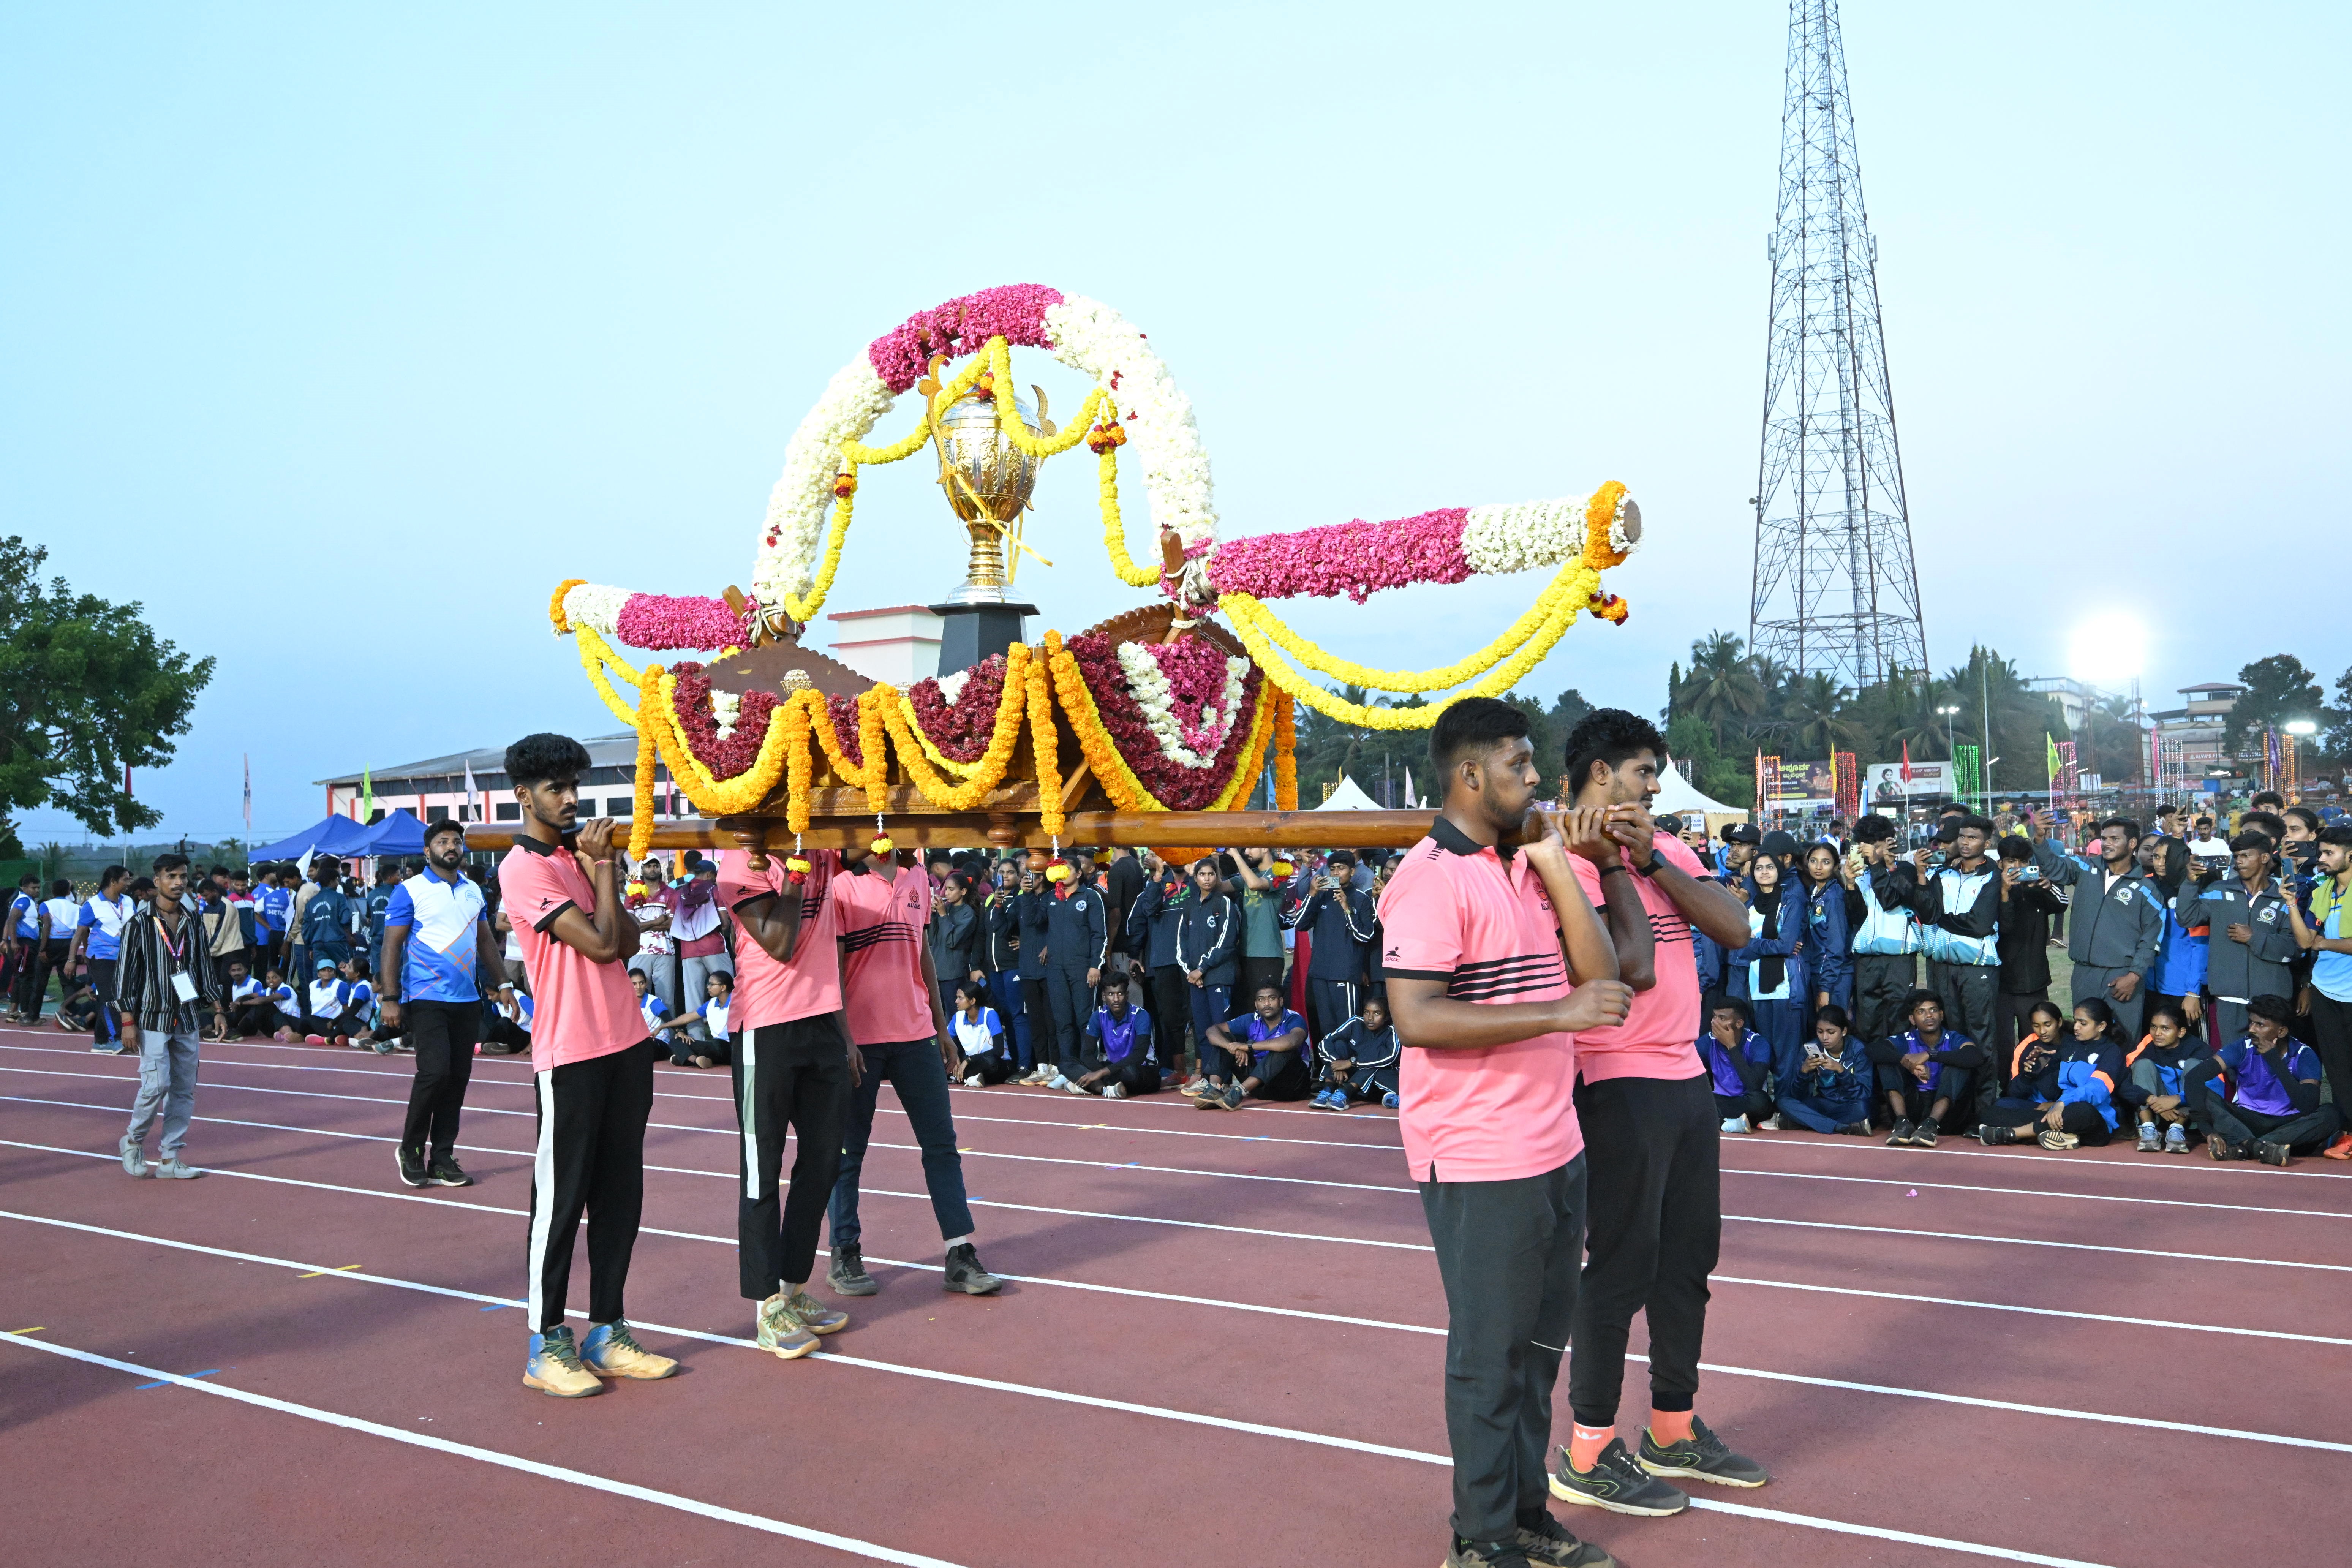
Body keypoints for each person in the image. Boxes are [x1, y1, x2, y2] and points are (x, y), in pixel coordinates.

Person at [1377, 696, 1631, 1568]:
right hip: (1479, 1151)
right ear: (1470, 774)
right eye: (1521, 765)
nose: (1536, 780)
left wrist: (1557, 863)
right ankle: (1479, 1537)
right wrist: (1556, 1008)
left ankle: (1525, 1512)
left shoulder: (1521, 865)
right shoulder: (1428, 878)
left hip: (1554, 1142)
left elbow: (1604, 982)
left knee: (1535, 1353)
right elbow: (1414, 1015)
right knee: (1490, 1359)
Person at [1551, 708, 1766, 1521]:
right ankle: (1589, 1449)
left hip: (1686, 1077)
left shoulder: (1666, 848)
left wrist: (1652, 862)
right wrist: (1612, 866)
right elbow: (1627, 970)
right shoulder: (1561, 860)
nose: (1655, 787)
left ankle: (1672, 1429)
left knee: (1686, 1263)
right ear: (1600, 775)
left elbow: (1735, 926)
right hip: (1613, 1078)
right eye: (1644, 772)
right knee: (1621, 1266)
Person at [496, 732, 678, 1398]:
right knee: (562, 1199)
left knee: (620, 1195)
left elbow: (629, 937)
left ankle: (609, 1329)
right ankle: (546, 1341)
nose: (570, 798)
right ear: (524, 795)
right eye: (556, 788)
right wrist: (601, 867)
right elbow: (602, 945)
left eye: (575, 785)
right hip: (570, 1051)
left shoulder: (577, 858)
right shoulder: (523, 868)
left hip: (626, 1043)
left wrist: (603, 867)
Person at [825, 847, 1003, 1300]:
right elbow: (835, 969)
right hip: (861, 1038)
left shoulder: (918, 879)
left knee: (942, 1145)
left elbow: (922, 953)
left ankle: (959, 1254)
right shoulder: (843, 885)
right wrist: (844, 1039)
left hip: (916, 1034)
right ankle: (845, 1251)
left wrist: (942, 1027)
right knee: (848, 1152)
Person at [715, 838, 857, 1362]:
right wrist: (796, 873)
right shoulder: (740, 862)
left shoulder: (818, 848)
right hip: (766, 1030)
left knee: (823, 1164)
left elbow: (868, 841)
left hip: (821, 1021)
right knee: (761, 1170)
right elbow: (778, 941)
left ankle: (793, 1289)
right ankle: (766, 1306)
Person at [379, 817, 509, 1189]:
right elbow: (392, 946)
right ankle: (410, 1148)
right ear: (427, 850)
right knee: (435, 1072)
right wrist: (391, 999)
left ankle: (442, 1156)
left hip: (467, 998)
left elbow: (486, 941)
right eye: (442, 842)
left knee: (457, 1079)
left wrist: (503, 984)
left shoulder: (473, 891)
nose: (451, 846)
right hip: (425, 996)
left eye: (456, 841)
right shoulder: (410, 890)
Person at [114, 853, 223, 1181]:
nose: (178, 883)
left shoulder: (193, 920)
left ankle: (170, 1157)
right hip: (152, 1016)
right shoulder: (138, 924)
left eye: (183, 877)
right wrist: (127, 1022)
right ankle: (133, 1141)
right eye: (171, 876)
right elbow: (124, 976)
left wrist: (217, 1009)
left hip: (187, 1015)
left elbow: (204, 967)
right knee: (155, 1085)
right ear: (157, 880)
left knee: (184, 1088)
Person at [2028, 811, 2162, 1040]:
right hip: (2084, 973)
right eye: (2105, 839)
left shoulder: (2147, 889)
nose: (2107, 844)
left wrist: (2134, 976)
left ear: (2132, 844)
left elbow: (2151, 939)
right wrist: (2040, 840)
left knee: (2123, 1040)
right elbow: (2054, 868)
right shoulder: (2085, 867)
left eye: (2114, 839)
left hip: (2122, 977)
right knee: (2084, 1039)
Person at [2191, 993, 2341, 1164]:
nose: (2252, 1030)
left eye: (2260, 1025)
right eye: (2252, 1023)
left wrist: (2274, 1060)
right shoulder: (2242, 1047)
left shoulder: (2304, 1054)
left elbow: (2308, 1106)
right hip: (2247, 1121)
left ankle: (2248, 1148)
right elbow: (2194, 1078)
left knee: (2332, 1114)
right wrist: (2207, 1130)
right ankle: (2261, 1149)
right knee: (2203, 1094)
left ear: (2282, 1031)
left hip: (2288, 1127)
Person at [2180, 830, 2296, 1043]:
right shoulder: (2218, 890)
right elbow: (2187, 919)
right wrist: (2190, 883)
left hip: (2271, 1000)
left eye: (2245, 856)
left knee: (2270, 1063)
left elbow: (2295, 948)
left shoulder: (2284, 895)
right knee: (2233, 1065)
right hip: (2228, 997)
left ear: (2264, 858)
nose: (2239, 862)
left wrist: (2254, 937)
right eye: (2236, 857)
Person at [2283, 823, 2352, 1158]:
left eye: (2329, 853)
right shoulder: (2324, 889)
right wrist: (2292, 905)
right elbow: (2305, 940)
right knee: (2337, 1068)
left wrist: (2325, 943)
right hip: (2327, 991)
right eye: (2321, 852)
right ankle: (2348, 1133)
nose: (2321, 859)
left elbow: (2320, 942)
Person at [1977, 998, 2125, 1150]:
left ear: (2101, 1026)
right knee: (1992, 1111)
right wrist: (2035, 1068)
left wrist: (2062, 1103)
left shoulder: (2112, 1052)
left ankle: (2011, 1134)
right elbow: (2048, 1088)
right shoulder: (2070, 1049)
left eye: (2083, 1023)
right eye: (2076, 1022)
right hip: (2059, 1113)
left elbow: (2097, 1090)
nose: (2076, 1027)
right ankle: (2060, 1136)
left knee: (2082, 1109)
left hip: (2093, 1119)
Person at [1841, 816, 1920, 1051]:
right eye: (1865, 846)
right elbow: (1855, 917)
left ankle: (1899, 1085)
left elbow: (1889, 901)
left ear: (1890, 842)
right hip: (1867, 959)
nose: (1870, 852)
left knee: (1899, 1024)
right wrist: (1850, 884)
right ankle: (1873, 1085)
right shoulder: (1863, 873)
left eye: (1875, 846)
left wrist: (1877, 865)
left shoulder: (1904, 871)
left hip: (1899, 958)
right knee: (1868, 1025)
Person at [1869, 989, 1984, 1146]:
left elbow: (1975, 1056)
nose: (1929, 1016)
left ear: (1942, 1015)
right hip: (1914, 1107)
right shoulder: (1906, 1039)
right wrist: (1907, 1062)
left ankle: (1931, 1125)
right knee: (1887, 1060)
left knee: (1959, 1064)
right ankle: (1902, 1123)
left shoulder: (1953, 1038)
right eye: (1921, 1012)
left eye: (1934, 1010)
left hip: (1947, 1115)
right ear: (1913, 1019)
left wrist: (1931, 1055)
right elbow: (1873, 1050)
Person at [1724, 853, 1803, 1076]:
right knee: (1765, 1047)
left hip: (1785, 983)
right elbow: (1737, 940)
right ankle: (1769, 1104)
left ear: (1779, 871)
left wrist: (1750, 944)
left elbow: (1786, 946)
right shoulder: (1748, 903)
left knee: (1786, 1051)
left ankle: (1786, 1102)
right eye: (1759, 868)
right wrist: (1769, 944)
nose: (1765, 872)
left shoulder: (1790, 901)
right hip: (1757, 983)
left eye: (1770, 867)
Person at [1991, 835, 2066, 1068]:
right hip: (2000, 982)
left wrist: (2046, 886)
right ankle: (2007, 1090)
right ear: (2001, 863)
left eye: (2024, 862)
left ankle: (2036, 1091)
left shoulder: (2037, 890)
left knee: (2036, 1043)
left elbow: (2062, 904)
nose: (2018, 868)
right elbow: (2005, 927)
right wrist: (2004, 893)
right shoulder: (1990, 889)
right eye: (2012, 861)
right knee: (2003, 1045)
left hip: (2034, 981)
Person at [1286, 850, 1376, 1042]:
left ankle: (1351, 1070)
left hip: (1346, 973)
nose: (1336, 873)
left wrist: (1346, 908)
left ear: (1352, 872)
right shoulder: (1321, 897)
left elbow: (1365, 936)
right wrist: (1311, 894)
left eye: (1341, 869)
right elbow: (1300, 925)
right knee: (1327, 1030)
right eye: (1332, 869)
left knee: (1350, 1028)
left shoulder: (1361, 899)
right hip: (1320, 973)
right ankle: (1331, 1070)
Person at [1037, 848, 1108, 1091]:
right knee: (1063, 1021)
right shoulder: (1052, 899)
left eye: (1069, 869)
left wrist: (1095, 966)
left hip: (1083, 969)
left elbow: (1100, 935)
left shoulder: (1090, 897)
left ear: (1079, 873)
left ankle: (1089, 1070)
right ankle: (1068, 1072)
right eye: (1060, 869)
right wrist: (1028, 893)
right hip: (1056, 968)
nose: (1064, 873)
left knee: (1084, 1020)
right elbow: (1033, 923)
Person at [1125, 853, 1195, 1084]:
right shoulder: (1157, 883)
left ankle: (1204, 1073)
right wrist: (1156, 877)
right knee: (1170, 1019)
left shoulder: (1197, 880)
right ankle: (1180, 1072)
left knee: (1196, 1016)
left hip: (1194, 960)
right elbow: (1149, 910)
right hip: (1163, 960)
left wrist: (1194, 875)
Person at [1197, 982, 1312, 1110]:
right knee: (1226, 1039)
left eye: (1272, 998)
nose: (1267, 1004)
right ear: (1256, 1004)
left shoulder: (1293, 1019)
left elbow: (1291, 1042)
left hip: (1292, 1087)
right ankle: (1214, 1090)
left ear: (1281, 1001)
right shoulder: (1251, 1019)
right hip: (1260, 1087)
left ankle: (1239, 1092)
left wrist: (1248, 1047)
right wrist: (1232, 1047)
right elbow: (1212, 1030)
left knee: (1284, 1048)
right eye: (1261, 1000)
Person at [1176, 856, 1241, 1069]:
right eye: (1202, 874)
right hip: (1196, 980)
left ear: (1218, 877)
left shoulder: (1224, 903)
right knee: (1203, 1028)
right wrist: (1191, 972)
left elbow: (1227, 942)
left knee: (1221, 1029)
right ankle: (1206, 1076)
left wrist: (1202, 969)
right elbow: (1181, 943)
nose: (1207, 878)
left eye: (1211, 874)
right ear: (1195, 878)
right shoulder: (1189, 905)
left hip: (1218, 977)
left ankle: (1222, 1078)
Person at [2143, 839, 2210, 1037]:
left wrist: (2193, 992)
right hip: (2148, 984)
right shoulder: (2145, 885)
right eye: (2156, 857)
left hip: (2181, 989)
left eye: (2167, 858)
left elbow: (2201, 945)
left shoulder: (2194, 890)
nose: (2161, 863)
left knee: (2186, 1045)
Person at [1773, 1003, 1871, 1135]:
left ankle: (1804, 1122)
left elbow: (1863, 1093)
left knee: (1863, 1110)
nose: (1825, 1038)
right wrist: (1804, 1072)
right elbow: (1798, 1096)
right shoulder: (1810, 1049)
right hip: (1824, 1104)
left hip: (1850, 1105)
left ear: (1844, 1031)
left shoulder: (1858, 1049)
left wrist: (1842, 1071)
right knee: (1783, 1102)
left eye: (1831, 1032)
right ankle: (1840, 1127)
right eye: (1820, 1032)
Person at [2120, 1002, 2203, 1153]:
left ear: (2181, 1032)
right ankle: (2148, 1129)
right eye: (2154, 1027)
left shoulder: (2198, 1049)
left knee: (2195, 1066)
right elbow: (2124, 1084)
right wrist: (2153, 1101)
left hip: (2190, 1115)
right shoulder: (2147, 1046)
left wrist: (2178, 1099)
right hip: (2156, 1112)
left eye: (2166, 1028)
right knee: (2142, 1065)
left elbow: (2214, 1088)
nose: (2157, 1033)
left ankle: (2177, 1131)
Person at [72, 866, 134, 1054]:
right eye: (126, 880)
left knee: (117, 996)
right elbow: (80, 933)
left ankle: (100, 1041)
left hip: (125, 957)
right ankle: (117, 1039)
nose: (129, 883)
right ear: (113, 882)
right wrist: (71, 960)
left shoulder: (129, 901)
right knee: (110, 998)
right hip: (101, 957)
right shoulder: (92, 905)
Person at [670, 859, 733, 1042]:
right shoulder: (714, 890)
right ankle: (732, 1034)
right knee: (727, 990)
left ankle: (696, 1040)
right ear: (709, 875)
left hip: (688, 951)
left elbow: (670, 922)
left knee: (693, 998)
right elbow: (725, 921)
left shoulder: (678, 894)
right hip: (714, 947)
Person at [1073, 973, 1159, 1097]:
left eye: (1120, 994)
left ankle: (1094, 1086)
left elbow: (1139, 1056)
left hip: (1142, 1070)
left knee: (1132, 1072)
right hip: (1113, 1069)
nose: (1116, 999)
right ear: (1104, 997)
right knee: (1067, 1063)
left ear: (1127, 995)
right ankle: (1107, 1090)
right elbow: (1086, 1053)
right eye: (1111, 994)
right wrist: (1100, 1071)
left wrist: (1101, 1073)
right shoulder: (1099, 1016)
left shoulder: (1141, 1015)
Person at [1313, 991, 1402, 1110]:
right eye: (1367, 1012)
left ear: (1386, 1017)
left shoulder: (1392, 1031)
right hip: (1348, 1075)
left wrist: (1351, 1063)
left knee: (1375, 1059)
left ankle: (1344, 1093)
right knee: (1339, 1044)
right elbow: (1326, 1042)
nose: (1370, 1018)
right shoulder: (1356, 1023)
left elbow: (1390, 1057)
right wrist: (1336, 1064)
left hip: (1377, 1079)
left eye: (1377, 1014)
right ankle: (1328, 1090)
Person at [1230, 847, 1291, 1021]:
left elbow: (1255, 884)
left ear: (1265, 848)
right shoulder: (1251, 872)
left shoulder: (1280, 872)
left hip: (1267, 954)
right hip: (1244, 952)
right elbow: (1221, 887)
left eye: (1250, 847)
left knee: (1266, 1009)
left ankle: (1270, 1045)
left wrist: (1235, 854)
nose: (1247, 852)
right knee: (1246, 1007)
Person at [1698, 996, 1775, 1133]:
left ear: (1739, 1024)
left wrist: (1731, 1046)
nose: (1714, 1022)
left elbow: (1754, 1085)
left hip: (1747, 1101)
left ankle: (1719, 1120)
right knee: (1694, 1099)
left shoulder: (1757, 1044)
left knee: (1761, 1102)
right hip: (1720, 1100)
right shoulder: (1708, 1041)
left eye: (1722, 1018)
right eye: (1714, 1017)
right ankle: (1727, 1124)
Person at [1797, 842, 1851, 1020]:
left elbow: (1836, 946)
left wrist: (1826, 988)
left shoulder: (1834, 897)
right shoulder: (1815, 891)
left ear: (1836, 866)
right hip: (1818, 971)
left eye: (1826, 862)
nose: (1818, 867)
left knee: (1832, 1030)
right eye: (1814, 861)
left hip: (1834, 976)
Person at [926, 871, 982, 1026]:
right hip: (937, 970)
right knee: (937, 1014)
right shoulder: (946, 908)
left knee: (953, 1015)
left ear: (963, 892)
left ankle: (958, 1049)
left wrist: (943, 916)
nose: (947, 893)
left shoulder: (968, 914)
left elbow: (951, 941)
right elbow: (931, 939)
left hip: (952, 973)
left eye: (951, 889)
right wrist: (932, 916)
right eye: (946, 889)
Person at [946, 979, 1016, 1085]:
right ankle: (970, 1078)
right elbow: (946, 1041)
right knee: (942, 1062)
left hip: (999, 1063)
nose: (956, 1001)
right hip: (975, 1064)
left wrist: (968, 1060)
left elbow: (999, 1051)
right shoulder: (958, 1017)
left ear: (972, 1001)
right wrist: (954, 1057)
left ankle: (961, 1077)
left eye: (960, 998)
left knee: (991, 1062)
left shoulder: (990, 1015)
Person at [683, 969, 734, 1069]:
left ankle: (687, 1058)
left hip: (730, 1047)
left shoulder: (736, 1002)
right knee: (677, 1040)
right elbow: (690, 1017)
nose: (708, 987)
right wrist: (664, 1026)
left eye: (712, 984)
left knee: (716, 1044)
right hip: (714, 1046)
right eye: (708, 984)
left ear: (723, 987)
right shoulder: (711, 1003)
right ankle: (695, 1060)